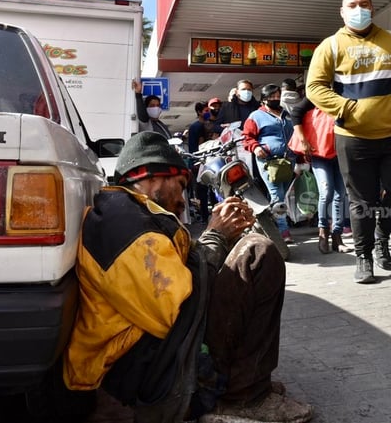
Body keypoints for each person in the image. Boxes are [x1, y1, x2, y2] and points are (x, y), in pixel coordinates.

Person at [62, 131, 313, 423]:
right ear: (152, 177)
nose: (183, 200)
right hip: (142, 388)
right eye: (180, 186)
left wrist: (223, 239)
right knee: (256, 253)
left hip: (147, 368)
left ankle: (245, 385)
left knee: (245, 256)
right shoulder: (124, 222)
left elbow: (179, 271)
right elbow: (180, 305)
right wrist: (216, 236)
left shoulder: (132, 215)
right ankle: (244, 397)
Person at [306, 0, 391, 284]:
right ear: (342, 12)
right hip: (353, 139)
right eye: (352, 5)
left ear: (372, 8)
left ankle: (382, 237)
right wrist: (348, 108)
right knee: (361, 201)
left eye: (363, 4)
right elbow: (314, 88)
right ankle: (364, 257)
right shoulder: (331, 46)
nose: (359, 10)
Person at [289, 96, 351, 254]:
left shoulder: (345, 92)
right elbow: (296, 113)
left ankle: (337, 236)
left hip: (340, 153)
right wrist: (302, 139)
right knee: (326, 192)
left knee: (341, 195)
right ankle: (323, 233)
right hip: (319, 154)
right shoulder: (316, 93)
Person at [241, 84, 296, 244]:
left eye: (277, 95)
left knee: (283, 194)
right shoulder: (256, 116)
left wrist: (299, 158)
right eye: (271, 96)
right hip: (269, 161)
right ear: (264, 99)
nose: (275, 99)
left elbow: (295, 134)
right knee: (277, 195)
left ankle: (272, 223)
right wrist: (256, 147)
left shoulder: (286, 114)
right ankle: (284, 231)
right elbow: (247, 137)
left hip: (288, 160)